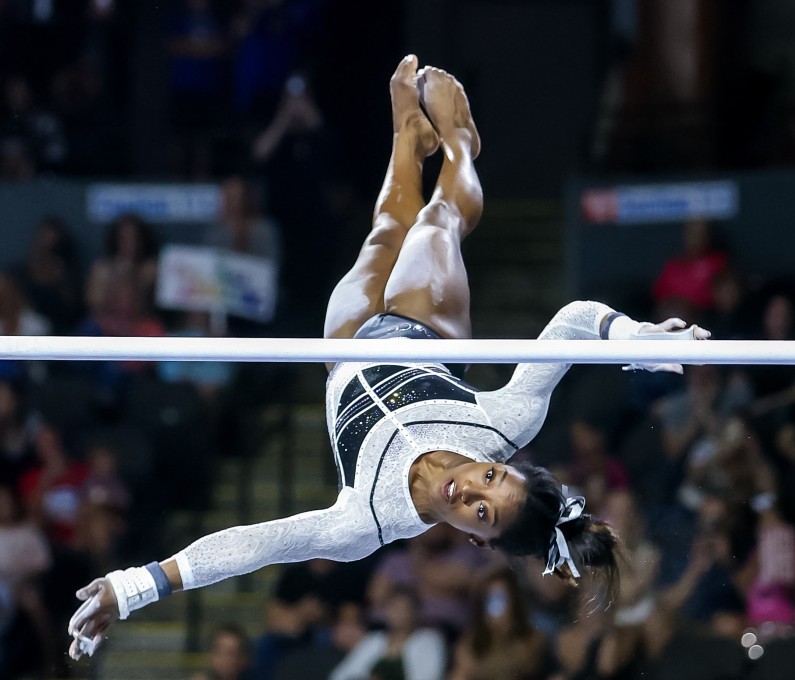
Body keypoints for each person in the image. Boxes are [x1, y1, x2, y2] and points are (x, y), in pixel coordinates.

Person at [66, 55, 711, 660]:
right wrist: (635, 340)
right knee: (432, 226)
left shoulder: (365, 522)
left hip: (343, 349)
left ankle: (409, 136)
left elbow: (257, 545)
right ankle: (460, 150)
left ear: (473, 539)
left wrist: (136, 586)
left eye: (480, 512)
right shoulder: (505, 426)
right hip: (425, 328)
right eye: (492, 480)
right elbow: (572, 323)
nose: (472, 485)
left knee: (383, 231)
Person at [450, 569, 548, 680]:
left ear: (514, 601)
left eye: (500, 599)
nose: (494, 608)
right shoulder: (469, 643)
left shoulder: (532, 639)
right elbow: (461, 672)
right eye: (489, 599)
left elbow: (525, 665)